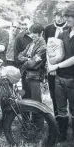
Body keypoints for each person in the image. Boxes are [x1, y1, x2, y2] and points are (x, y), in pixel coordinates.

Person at [48, 3, 74, 142]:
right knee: (61, 107)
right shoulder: (63, 33)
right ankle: (62, 134)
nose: (67, 18)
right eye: (67, 15)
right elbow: (55, 51)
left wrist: (56, 66)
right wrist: (50, 61)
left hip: (72, 78)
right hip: (59, 78)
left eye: (70, 16)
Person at [18, 23, 46, 130]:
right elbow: (19, 56)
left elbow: (33, 64)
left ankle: (39, 127)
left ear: (41, 33)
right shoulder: (31, 45)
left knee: (36, 102)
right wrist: (27, 59)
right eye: (32, 32)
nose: (33, 35)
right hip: (27, 76)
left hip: (36, 78)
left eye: (35, 33)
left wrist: (26, 61)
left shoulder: (43, 47)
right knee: (26, 99)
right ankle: (27, 124)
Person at [44, 7, 68, 117]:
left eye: (62, 16)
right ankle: (57, 117)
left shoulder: (69, 28)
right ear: (54, 16)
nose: (59, 18)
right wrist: (50, 66)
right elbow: (46, 49)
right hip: (51, 66)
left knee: (67, 94)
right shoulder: (48, 29)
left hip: (67, 67)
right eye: (58, 16)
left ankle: (69, 118)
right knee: (54, 93)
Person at [14, 15, 33, 99]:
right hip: (26, 72)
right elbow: (16, 57)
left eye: (26, 24)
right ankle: (26, 112)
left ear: (31, 23)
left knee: (37, 97)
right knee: (26, 96)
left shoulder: (38, 35)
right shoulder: (19, 38)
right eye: (22, 24)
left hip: (38, 72)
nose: (24, 26)